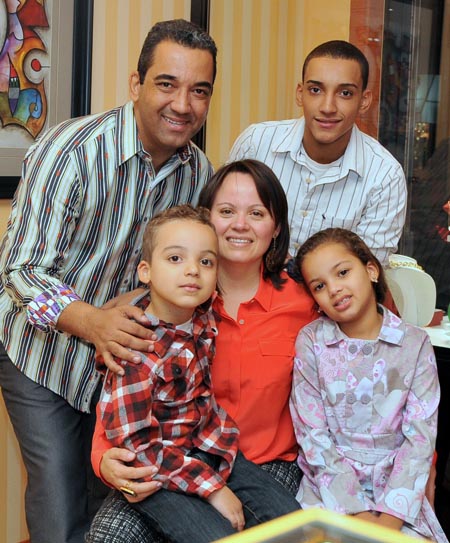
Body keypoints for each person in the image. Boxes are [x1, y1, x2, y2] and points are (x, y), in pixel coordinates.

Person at [0, 19, 217, 543]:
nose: (183, 104)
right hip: (41, 354)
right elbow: (20, 269)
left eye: (199, 90)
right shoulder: (70, 150)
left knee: (115, 503)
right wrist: (95, 322)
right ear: (136, 84)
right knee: (59, 505)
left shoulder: (198, 171)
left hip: (126, 363)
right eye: (166, 84)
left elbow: (178, 270)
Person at [85, 159, 317, 542]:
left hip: (249, 458)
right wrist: (102, 460)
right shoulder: (159, 311)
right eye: (226, 211)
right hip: (162, 460)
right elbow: (118, 407)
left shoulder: (307, 297)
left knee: (295, 531)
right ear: (207, 218)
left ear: (276, 227)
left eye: (256, 213)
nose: (240, 224)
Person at [288, 227, 448, 542]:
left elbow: (420, 439)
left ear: (371, 270)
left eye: (342, 272)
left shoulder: (415, 343)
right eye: (319, 285)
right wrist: (357, 517)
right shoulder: (311, 341)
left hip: (398, 491)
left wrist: (388, 522)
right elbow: (312, 435)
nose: (334, 289)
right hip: (328, 487)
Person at [228, 40, 407, 267]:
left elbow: (364, 271)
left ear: (364, 101)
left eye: (345, 93)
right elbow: (222, 223)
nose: (327, 107)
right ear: (300, 94)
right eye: (315, 90)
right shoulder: (256, 143)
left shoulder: (385, 176)